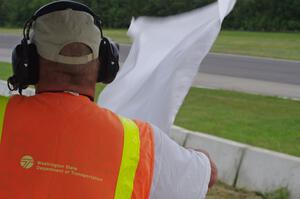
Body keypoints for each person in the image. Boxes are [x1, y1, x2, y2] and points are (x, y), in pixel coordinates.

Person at [0, 1, 217, 199]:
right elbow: (207, 177)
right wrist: (201, 158)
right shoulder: (142, 142)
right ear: (106, 64)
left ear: (26, 63)